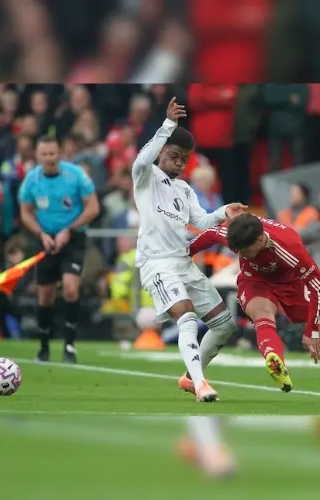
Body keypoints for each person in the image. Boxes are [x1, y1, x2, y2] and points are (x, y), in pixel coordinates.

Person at [132, 97, 246, 403]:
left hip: (183, 263)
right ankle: (201, 385)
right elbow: (142, 160)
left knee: (224, 325)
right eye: (174, 156)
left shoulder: (184, 190)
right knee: (186, 317)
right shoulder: (146, 177)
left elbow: (202, 221)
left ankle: (190, 376)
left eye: (184, 159)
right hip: (157, 263)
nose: (180, 163)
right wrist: (168, 125)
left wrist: (223, 211)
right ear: (161, 152)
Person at [189, 213, 320, 393]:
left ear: (260, 240)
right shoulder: (237, 235)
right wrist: (184, 253)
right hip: (255, 280)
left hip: (291, 283)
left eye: (245, 252)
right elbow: (210, 234)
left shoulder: (289, 249)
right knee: (262, 314)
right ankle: (275, 359)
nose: (241, 255)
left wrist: (312, 331)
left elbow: (318, 285)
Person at [18, 136, 100, 364]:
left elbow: (93, 207)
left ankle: (69, 346)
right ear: (37, 156)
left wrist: (70, 229)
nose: (49, 158)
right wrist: (40, 234)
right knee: (45, 295)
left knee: (71, 288)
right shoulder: (31, 179)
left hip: (73, 238)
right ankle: (44, 347)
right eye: (44, 154)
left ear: (60, 153)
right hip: (45, 239)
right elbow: (25, 212)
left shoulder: (76, 175)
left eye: (52, 154)